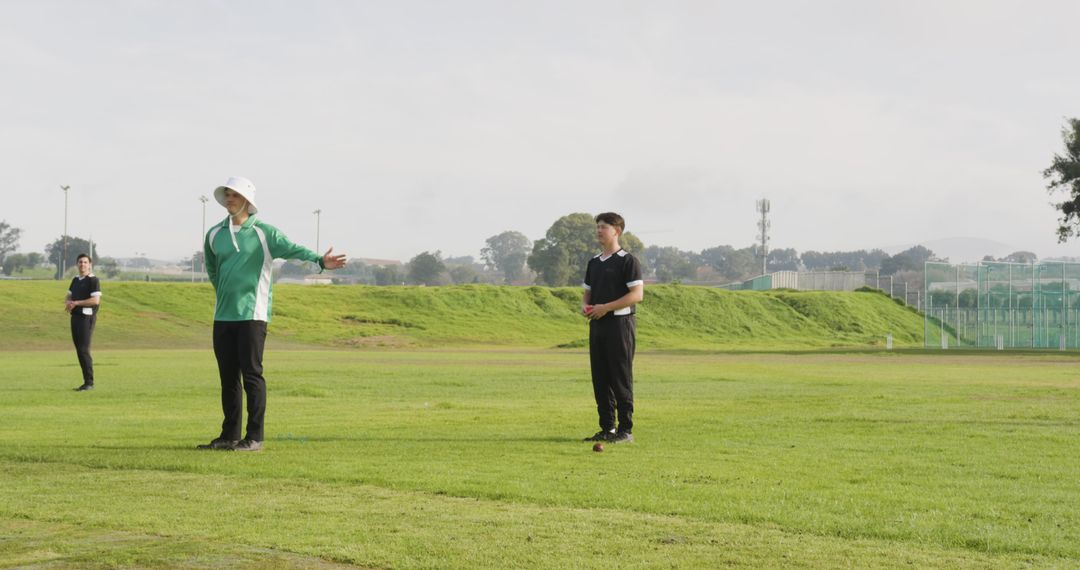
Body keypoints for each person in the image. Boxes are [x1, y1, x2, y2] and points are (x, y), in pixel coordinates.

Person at [198, 176, 346, 452]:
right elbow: (212, 268)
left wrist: (319, 261)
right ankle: (229, 435)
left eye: (234, 195)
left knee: (252, 375)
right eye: (227, 195)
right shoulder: (214, 234)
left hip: (253, 316)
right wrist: (224, 293)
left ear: (247, 201)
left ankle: (254, 437)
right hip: (223, 317)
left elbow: (292, 249)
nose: (229, 199)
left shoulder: (265, 232)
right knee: (228, 378)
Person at [581, 212, 644, 444]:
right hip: (597, 325)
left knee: (620, 377)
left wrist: (606, 307)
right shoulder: (594, 262)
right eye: (597, 227)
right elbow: (587, 292)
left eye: (603, 227)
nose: (598, 231)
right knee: (600, 377)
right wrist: (585, 306)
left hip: (620, 325)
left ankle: (625, 430)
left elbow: (636, 295)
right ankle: (607, 428)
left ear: (616, 231)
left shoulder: (628, 261)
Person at [65, 253, 101, 391]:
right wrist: (68, 302)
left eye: (85, 262)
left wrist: (76, 303)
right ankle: (86, 382)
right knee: (79, 350)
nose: (82, 264)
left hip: (87, 318)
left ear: (90, 264)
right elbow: (69, 294)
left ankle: (89, 383)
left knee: (83, 349)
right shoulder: (75, 280)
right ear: (77, 264)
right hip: (75, 317)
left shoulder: (93, 280)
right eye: (80, 262)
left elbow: (95, 300)